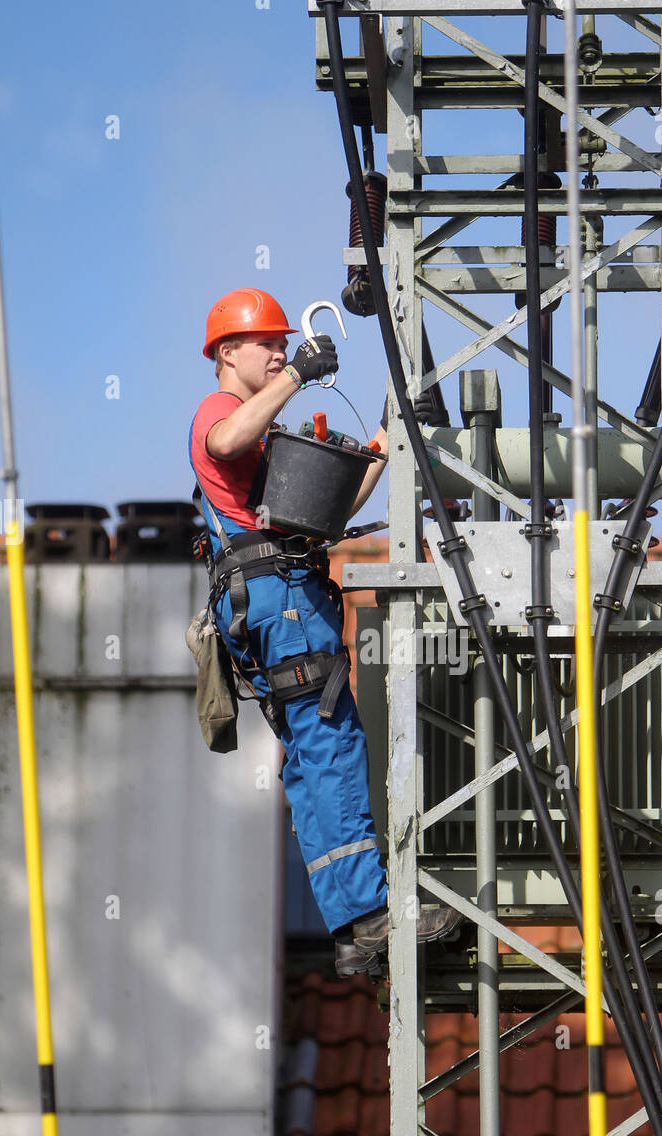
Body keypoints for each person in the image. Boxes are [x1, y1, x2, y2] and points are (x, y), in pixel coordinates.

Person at [189, 288, 459, 976]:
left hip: (280, 599)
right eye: (267, 344)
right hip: (279, 604)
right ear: (227, 352)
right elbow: (225, 439)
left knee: (316, 758)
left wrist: (387, 437)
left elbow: (326, 511)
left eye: (285, 343)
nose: (279, 351)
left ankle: (349, 923)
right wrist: (296, 375)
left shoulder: (258, 434)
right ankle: (370, 915)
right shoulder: (221, 413)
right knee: (332, 744)